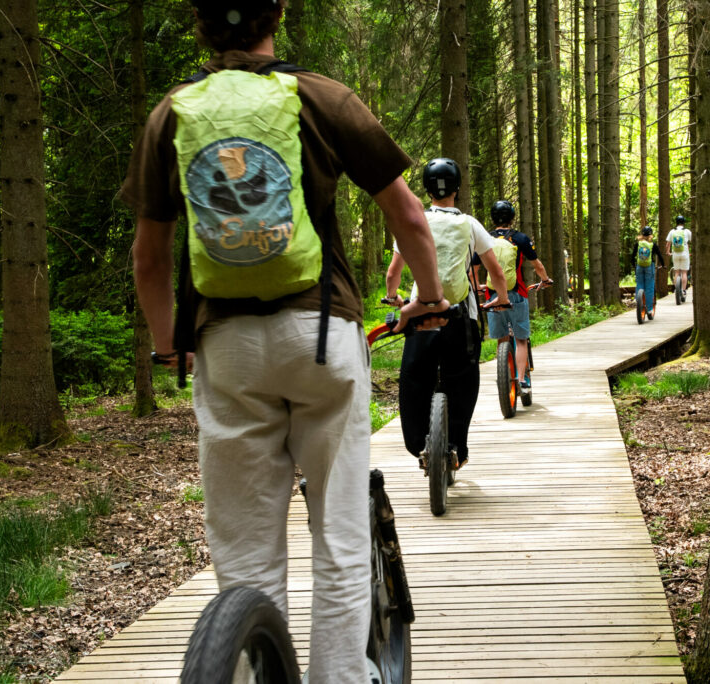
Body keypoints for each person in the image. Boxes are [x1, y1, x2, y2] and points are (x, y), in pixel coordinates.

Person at [124, 2, 448, 682]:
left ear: (201, 21)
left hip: (226, 345)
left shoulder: (171, 113)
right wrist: (428, 296)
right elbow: (409, 215)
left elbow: (149, 258)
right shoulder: (321, 97)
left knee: (245, 552)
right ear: (277, 12)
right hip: (322, 334)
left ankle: (247, 663)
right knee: (339, 534)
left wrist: (167, 345)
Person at [385, 159, 510, 471]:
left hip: (420, 313)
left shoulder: (415, 221)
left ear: (427, 189)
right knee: (463, 379)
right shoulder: (470, 224)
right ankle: (457, 449)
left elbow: (393, 274)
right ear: (457, 188)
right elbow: (496, 272)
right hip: (459, 315)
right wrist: (502, 298)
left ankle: (419, 445)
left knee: (414, 378)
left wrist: (393, 297)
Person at [473, 200, 553, 391]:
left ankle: (504, 375)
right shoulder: (520, 238)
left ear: (493, 218)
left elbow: (472, 270)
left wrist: (477, 287)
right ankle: (522, 380)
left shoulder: (485, 239)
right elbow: (538, 266)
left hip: (492, 295)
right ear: (512, 218)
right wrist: (545, 280)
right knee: (521, 339)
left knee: (502, 339)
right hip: (516, 293)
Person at [632, 225, 664, 319]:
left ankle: (639, 303)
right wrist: (663, 265)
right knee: (649, 287)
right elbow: (660, 255)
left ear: (642, 234)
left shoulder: (638, 244)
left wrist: (634, 266)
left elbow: (632, 256)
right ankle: (649, 309)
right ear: (651, 235)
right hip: (650, 267)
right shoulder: (653, 245)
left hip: (639, 266)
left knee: (639, 284)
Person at [666, 215, 692, 294]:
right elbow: (692, 241)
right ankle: (683, 290)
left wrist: (668, 252)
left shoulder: (672, 231)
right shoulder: (686, 231)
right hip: (685, 254)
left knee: (677, 272)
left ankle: (676, 290)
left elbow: (668, 244)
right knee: (684, 272)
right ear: (683, 222)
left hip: (675, 254)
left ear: (676, 222)